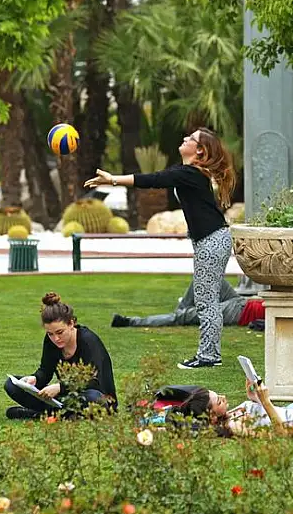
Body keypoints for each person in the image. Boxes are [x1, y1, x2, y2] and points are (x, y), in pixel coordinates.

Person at [86, 128, 235, 369]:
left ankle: (209, 356)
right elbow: (157, 179)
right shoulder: (189, 173)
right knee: (205, 299)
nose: (184, 138)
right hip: (211, 240)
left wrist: (112, 179)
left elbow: (152, 179)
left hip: (212, 240)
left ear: (199, 150)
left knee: (206, 301)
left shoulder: (189, 173)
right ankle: (209, 354)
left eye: (191, 139)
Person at [4, 293, 116, 420]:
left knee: (93, 398)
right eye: (50, 334)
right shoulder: (50, 341)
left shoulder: (88, 341)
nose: (56, 338)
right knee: (11, 385)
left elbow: (94, 381)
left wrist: (60, 387)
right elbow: (45, 371)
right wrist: (34, 379)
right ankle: (60, 414)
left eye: (60, 332)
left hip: (96, 397)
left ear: (71, 323)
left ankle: (39, 414)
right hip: (65, 398)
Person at [111, 279, 264, 329]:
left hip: (238, 313)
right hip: (241, 302)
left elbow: (261, 324)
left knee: (183, 317)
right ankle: (180, 312)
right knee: (204, 278)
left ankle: (130, 321)